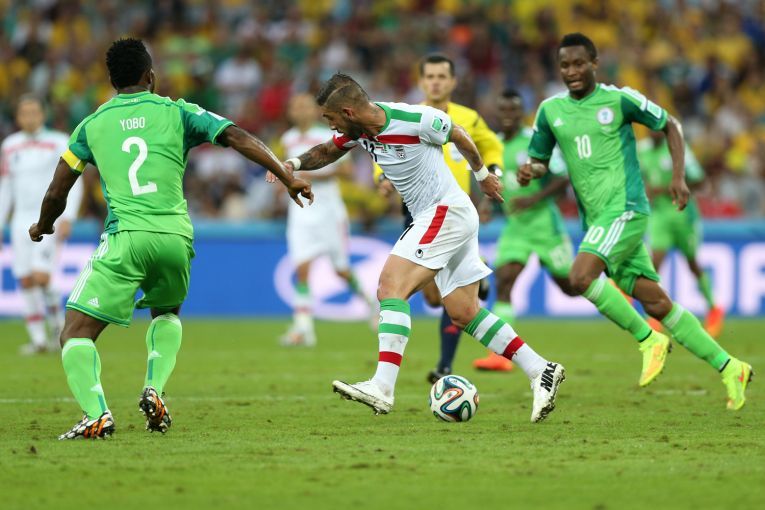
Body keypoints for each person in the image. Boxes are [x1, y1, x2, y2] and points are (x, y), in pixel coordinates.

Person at [29, 38, 312, 440]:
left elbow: (58, 189)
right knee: (166, 312)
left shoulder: (91, 125)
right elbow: (237, 136)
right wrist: (287, 176)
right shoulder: (180, 111)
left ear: (112, 82)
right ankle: (154, 389)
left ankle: (96, 415)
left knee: (75, 332)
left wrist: (43, 225)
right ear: (151, 77)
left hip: (127, 236)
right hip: (175, 237)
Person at [285, 72, 565, 423]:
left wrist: (482, 177)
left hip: (445, 211)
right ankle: (541, 369)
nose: (331, 126)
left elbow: (458, 133)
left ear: (348, 112)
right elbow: (326, 151)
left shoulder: (414, 118)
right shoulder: (358, 131)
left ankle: (382, 387)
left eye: (331, 118)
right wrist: (292, 165)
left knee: (390, 286)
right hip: (443, 216)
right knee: (463, 311)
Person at [520, 33, 752, 410]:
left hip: (626, 208)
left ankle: (648, 339)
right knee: (658, 303)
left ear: (595, 64)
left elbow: (670, 124)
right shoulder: (550, 110)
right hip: (596, 219)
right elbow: (541, 161)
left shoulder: (620, 99)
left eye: (579, 63)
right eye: (564, 65)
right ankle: (731, 368)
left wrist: (678, 176)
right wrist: (530, 170)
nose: (572, 71)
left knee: (580, 277)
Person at [377, 54, 505, 380]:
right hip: (417, 211)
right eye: (430, 76)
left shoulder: (469, 118)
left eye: (441, 76)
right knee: (433, 298)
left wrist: (494, 171)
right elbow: (386, 149)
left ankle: (445, 365)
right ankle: (478, 276)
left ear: (453, 81)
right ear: (422, 82)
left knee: (451, 296)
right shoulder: (409, 116)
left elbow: (491, 146)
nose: (435, 82)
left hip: (453, 214)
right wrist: (383, 179)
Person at [276, 93, 376, 346]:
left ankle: (371, 305)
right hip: (300, 213)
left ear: (315, 111)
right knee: (302, 269)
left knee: (341, 270)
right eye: (296, 106)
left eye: (305, 106)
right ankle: (303, 328)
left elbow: (348, 170)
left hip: (329, 212)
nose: (300, 110)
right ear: (290, 112)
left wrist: (310, 174)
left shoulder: (329, 136)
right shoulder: (287, 139)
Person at [486, 90, 576, 366]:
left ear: (522, 113)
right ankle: (500, 356)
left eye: (513, 110)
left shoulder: (535, 141)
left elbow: (563, 178)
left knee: (572, 286)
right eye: (503, 110)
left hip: (545, 225)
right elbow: (491, 181)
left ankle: (611, 284)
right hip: (516, 227)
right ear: (498, 113)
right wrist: (486, 204)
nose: (508, 115)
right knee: (504, 280)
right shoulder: (492, 146)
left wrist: (533, 198)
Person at [0, 94, 82, 354]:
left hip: (48, 218)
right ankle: (38, 341)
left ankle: (58, 329)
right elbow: (6, 187)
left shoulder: (58, 141)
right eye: (24, 113)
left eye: (34, 112)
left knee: (42, 277)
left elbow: (73, 180)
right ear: (18, 117)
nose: (30, 117)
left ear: (43, 115)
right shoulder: (10, 146)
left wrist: (68, 216)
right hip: (19, 220)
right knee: (25, 279)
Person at [638, 130, 724, 337]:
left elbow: (699, 181)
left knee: (692, 263)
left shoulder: (677, 150)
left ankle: (713, 308)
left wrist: (667, 187)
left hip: (683, 214)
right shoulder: (642, 150)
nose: (652, 131)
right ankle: (655, 315)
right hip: (659, 216)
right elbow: (638, 175)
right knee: (654, 264)